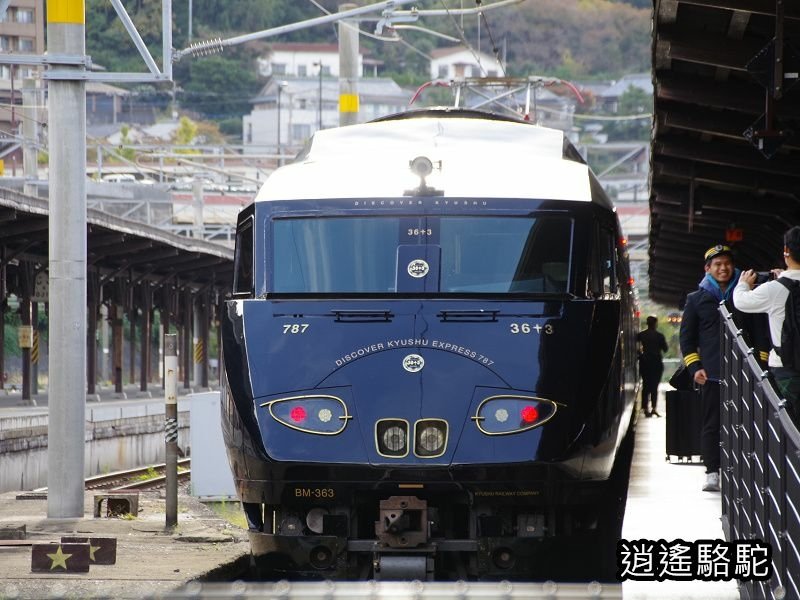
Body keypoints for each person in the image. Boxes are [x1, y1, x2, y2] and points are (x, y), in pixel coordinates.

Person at [679, 244, 741, 492]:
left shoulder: (745, 292)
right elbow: (687, 338)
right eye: (717, 264)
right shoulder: (696, 299)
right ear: (708, 269)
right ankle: (712, 471)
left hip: (743, 374)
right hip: (712, 374)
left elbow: (759, 330)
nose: (723, 268)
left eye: (727, 263)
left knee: (744, 424)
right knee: (711, 424)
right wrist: (695, 367)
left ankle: (741, 470)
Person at [733, 226, 800, 423]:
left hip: (784, 368)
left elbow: (741, 301)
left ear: (786, 251)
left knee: (789, 425)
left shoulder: (774, 289)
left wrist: (743, 283)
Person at [637, 315, 668, 417]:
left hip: (645, 363)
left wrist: (641, 354)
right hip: (656, 364)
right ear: (655, 323)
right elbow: (665, 349)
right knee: (655, 387)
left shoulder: (641, 335)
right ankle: (654, 408)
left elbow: (635, 349)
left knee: (645, 386)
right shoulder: (659, 336)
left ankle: (645, 408)